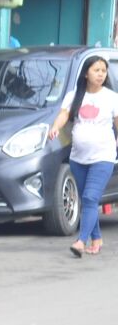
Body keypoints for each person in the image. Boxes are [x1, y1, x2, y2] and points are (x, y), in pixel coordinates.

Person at [48, 55, 118, 257]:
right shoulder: (74, 95)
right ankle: (97, 238)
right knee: (89, 200)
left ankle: (81, 241)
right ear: (86, 73)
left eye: (103, 71)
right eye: (96, 70)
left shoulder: (111, 97)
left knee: (89, 197)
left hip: (103, 156)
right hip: (78, 158)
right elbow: (64, 115)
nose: (100, 74)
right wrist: (55, 127)